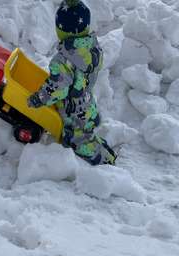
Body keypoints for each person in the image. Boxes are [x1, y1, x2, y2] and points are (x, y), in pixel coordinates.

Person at [27, 0, 117, 166]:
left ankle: (104, 163)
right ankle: (105, 151)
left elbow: (58, 88)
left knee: (78, 140)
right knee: (86, 133)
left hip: (74, 111)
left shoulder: (62, 60)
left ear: (61, 30)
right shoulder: (93, 48)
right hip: (88, 101)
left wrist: (39, 98)